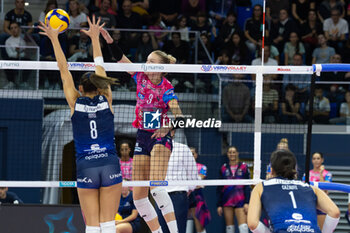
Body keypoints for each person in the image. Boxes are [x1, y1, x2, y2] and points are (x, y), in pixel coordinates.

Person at [38, 16, 122, 233]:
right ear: (99, 85)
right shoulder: (107, 99)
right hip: (109, 162)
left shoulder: (75, 103)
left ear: (81, 89)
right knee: (108, 224)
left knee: (92, 226)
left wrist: (55, 39)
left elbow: (63, 69)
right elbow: (100, 66)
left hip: (86, 166)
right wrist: (95, 37)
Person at [100, 24, 184, 233]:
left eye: (151, 62)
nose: (146, 64)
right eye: (146, 60)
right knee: (139, 198)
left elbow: (180, 118)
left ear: (162, 68)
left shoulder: (166, 88)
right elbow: (120, 59)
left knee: (156, 187)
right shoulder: (140, 77)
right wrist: (108, 39)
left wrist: (168, 127)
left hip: (159, 139)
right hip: (142, 136)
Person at [247, 149, 340, 233]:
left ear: (271, 170)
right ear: (294, 169)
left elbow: (252, 224)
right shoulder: (310, 187)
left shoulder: (261, 187)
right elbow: (335, 212)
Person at [156, 137, 199, 233]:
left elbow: (192, 173)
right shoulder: (153, 147)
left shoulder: (183, 148)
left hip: (178, 195)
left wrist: (187, 190)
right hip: (160, 195)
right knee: (161, 230)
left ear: (173, 132)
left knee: (178, 229)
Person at [217, 146, 250, 233]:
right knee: (229, 228)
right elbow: (219, 187)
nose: (232, 154)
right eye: (230, 152)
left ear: (237, 153)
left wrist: (247, 202)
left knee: (243, 227)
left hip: (241, 201)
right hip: (227, 201)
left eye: (234, 152)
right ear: (227, 154)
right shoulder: (223, 168)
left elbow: (247, 186)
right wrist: (219, 205)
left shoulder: (243, 167)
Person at [303, 152, 332, 229]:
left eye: (318, 158)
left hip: (322, 205)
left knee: (321, 230)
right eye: (314, 158)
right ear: (312, 160)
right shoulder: (307, 174)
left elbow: (324, 189)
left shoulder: (327, 174)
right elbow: (303, 190)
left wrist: (321, 173)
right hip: (309, 205)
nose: (316, 160)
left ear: (322, 160)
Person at [187, 147, 211, 233]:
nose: (191, 156)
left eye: (193, 153)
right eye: (189, 153)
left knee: (199, 222)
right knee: (185, 222)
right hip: (184, 196)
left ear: (196, 155)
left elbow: (200, 179)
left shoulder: (202, 167)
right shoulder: (183, 168)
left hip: (197, 197)